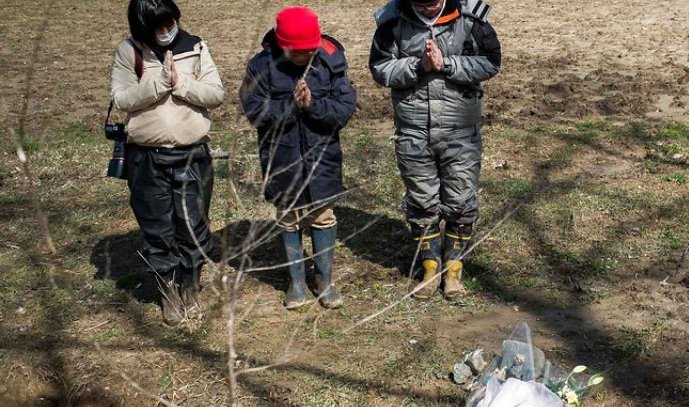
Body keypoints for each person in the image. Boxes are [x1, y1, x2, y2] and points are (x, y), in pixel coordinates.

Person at [369, 0, 500, 300]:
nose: (428, 10)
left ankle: (453, 270)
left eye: (433, 4)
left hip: (461, 130)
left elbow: (491, 62)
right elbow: (379, 68)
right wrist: (418, 66)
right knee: (421, 201)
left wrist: (447, 64)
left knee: (461, 199)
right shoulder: (391, 22)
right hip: (413, 131)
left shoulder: (471, 19)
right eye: (420, 5)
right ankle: (430, 268)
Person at [111, 0, 224, 326]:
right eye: (156, 27)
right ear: (142, 28)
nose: (165, 32)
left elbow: (216, 93)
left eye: (169, 22)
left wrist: (181, 84)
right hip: (147, 158)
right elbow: (122, 98)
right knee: (157, 231)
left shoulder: (195, 46)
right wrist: (158, 82)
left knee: (192, 225)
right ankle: (168, 293)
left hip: (192, 156)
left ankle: (190, 287)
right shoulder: (129, 51)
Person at [240, 6, 356, 310]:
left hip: (323, 157)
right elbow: (255, 111)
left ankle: (324, 281)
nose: (306, 56)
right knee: (288, 218)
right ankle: (296, 283)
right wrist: (292, 107)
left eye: (310, 50)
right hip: (281, 159)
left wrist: (313, 105)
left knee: (323, 216)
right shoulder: (260, 66)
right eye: (298, 52)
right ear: (283, 45)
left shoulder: (331, 59)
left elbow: (344, 108)